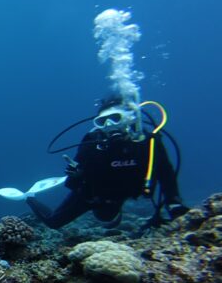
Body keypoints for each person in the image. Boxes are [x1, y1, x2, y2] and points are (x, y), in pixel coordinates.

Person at [27, 97, 188, 229]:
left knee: (108, 218)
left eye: (115, 118)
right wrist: (78, 175)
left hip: (122, 194)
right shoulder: (92, 144)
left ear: (129, 118)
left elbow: (165, 173)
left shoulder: (149, 143)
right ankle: (29, 197)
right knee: (54, 222)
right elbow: (74, 184)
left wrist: (174, 203)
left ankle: (112, 213)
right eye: (102, 121)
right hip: (92, 196)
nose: (109, 125)